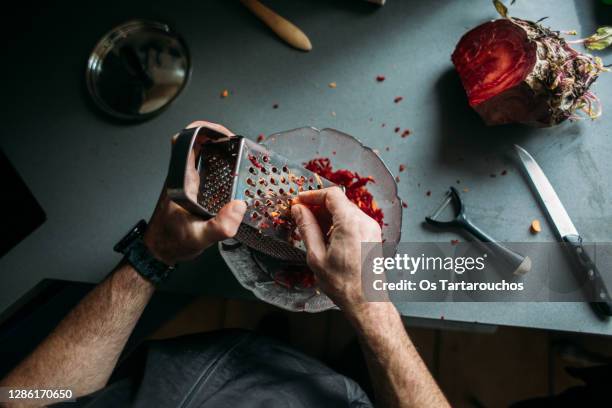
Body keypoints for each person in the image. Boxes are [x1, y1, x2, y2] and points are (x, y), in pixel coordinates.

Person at [0, 121, 449, 408]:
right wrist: (368, 308)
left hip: (214, 361)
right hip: (325, 394)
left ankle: (290, 351)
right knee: (342, 373)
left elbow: (22, 400)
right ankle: (330, 361)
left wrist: (153, 254)